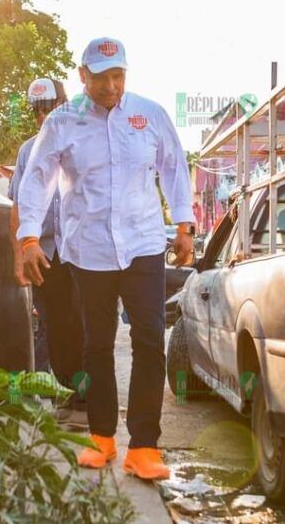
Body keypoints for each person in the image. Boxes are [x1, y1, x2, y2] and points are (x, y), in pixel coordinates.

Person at [17, 38, 194, 480]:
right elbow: (37, 179)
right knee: (96, 344)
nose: (111, 86)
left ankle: (145, 447)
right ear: (83, 76)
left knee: (150, 341)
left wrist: (186, 225)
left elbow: (174, 167)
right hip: (89, 249)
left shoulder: (149, 114)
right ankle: (101, 437)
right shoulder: (62, 122)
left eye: (118, 76)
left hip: (143, 245)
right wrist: (28, 238)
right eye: (101, 78)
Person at [7, 77, 86, 426]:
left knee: (85, 324)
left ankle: (88, 400)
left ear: (64, 104)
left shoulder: (85, 142)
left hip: (84, 251)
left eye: (50, 108)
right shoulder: (28, 152)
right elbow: (18, 206)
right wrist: (19, 256)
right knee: (55, 329)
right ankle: (69, 393)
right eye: (38, 111)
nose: (44, 117)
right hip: (46, 253)